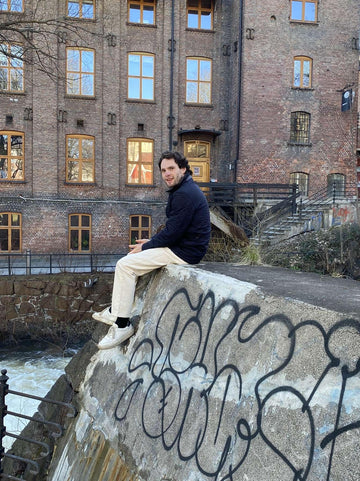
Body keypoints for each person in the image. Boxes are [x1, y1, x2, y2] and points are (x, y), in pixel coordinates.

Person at [92, 150, 211, 350]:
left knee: (125, 265)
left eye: (171, 168)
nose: (167, 174)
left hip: (184, 252)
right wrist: (152, 242)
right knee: (131, 261)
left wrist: (146, 246)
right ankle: (115, 309)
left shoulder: (184, 194)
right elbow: (175, 229)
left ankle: (122, 325)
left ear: (182, 168)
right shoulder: (185, 188)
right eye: (163, 170)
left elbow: (173, 233)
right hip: (183, 246)